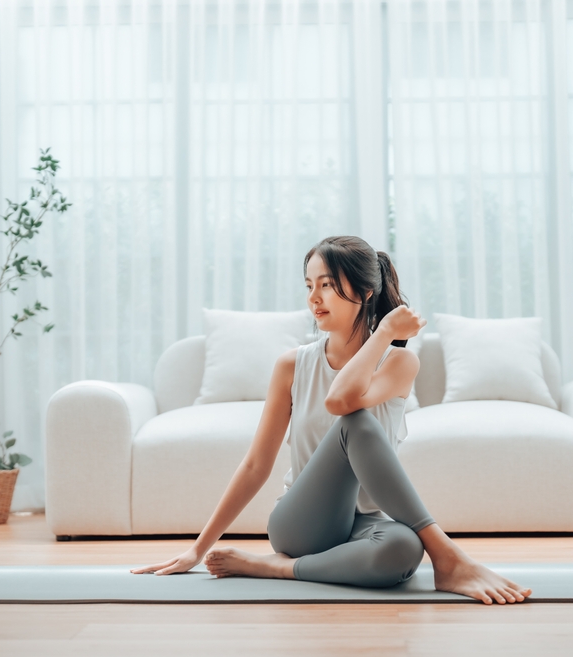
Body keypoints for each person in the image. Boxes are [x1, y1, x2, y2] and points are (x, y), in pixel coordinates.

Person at [130, 235, 531, 605]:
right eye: (309, 286)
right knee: (355, 425)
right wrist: (197, 549)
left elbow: (346, 396)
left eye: (326, 284)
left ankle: (277, 568)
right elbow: (264, 459)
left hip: (365, 526)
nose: (314, 298)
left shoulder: (400, 362)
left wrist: (384, 336)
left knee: (404, 550)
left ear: (365, 291)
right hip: (303, 525)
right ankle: (449, 556)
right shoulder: (292, 365)